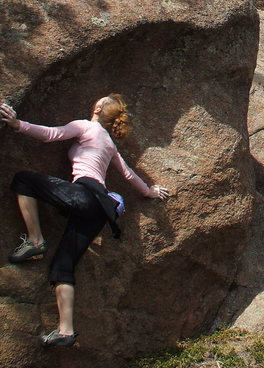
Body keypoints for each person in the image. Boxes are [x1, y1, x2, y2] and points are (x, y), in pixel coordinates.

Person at [0, 95, 170, 348]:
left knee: (24, 180)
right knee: (62, 267)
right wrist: (149, 192)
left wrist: (17, 124)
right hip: (100, 209)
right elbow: (128, 174)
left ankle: (36, 240)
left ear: (97, 109)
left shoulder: (86, 126)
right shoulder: (110, 143)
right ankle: (66, 331)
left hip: (84, 195)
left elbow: (51, 134)